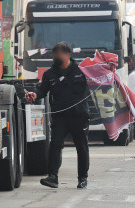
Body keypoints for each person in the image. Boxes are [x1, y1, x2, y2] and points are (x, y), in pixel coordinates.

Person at [26, 42, 90, 189]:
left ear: (67, 55)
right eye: (54, 55)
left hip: (79, 116)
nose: (56, 57)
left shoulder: (82, 70)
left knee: (82, 147)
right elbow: (42, 91)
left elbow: (98, 79)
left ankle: (82, 179)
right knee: (55, 145)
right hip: (60, 116)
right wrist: (34, 95)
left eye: (59, 55)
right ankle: (53, 177)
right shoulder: (50, 74)